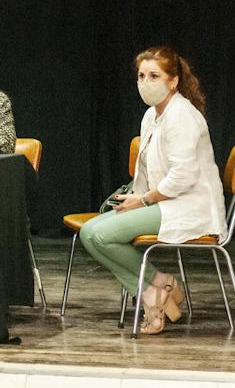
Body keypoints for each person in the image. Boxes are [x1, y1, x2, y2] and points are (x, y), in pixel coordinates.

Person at [80, 46, 226, 334]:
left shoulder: (182, 115)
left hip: (189, 205)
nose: (145, 83)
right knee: (91, 232)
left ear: (173, 81)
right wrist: (137, 198)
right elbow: (146, 171)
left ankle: (152, 294)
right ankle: (158, 286)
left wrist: (144, 201)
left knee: (100, 234)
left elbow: (182, 177)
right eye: (141, 76)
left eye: (154, 76)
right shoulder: (151, 116)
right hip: (162, 202)